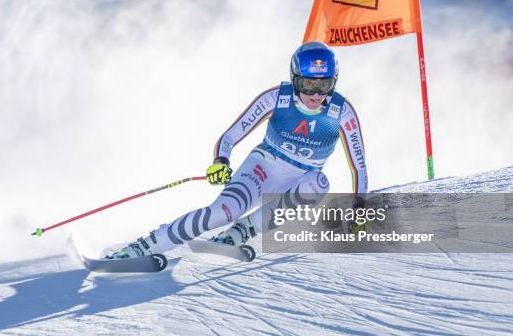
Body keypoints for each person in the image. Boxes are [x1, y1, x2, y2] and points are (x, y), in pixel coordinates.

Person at [106, 41, 368, 260]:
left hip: (299, 181)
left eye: (324, 85)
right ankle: (145, 247)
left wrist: (359, 206)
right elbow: (231, 135)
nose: (316, 94)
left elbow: (359, 166)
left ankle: (242, 231)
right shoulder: (277, 98)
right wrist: (221, 160)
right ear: (295, 80)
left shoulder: (341, 112)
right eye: (308, 85)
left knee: (319, 183)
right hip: (262, 168)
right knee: (220, 214)